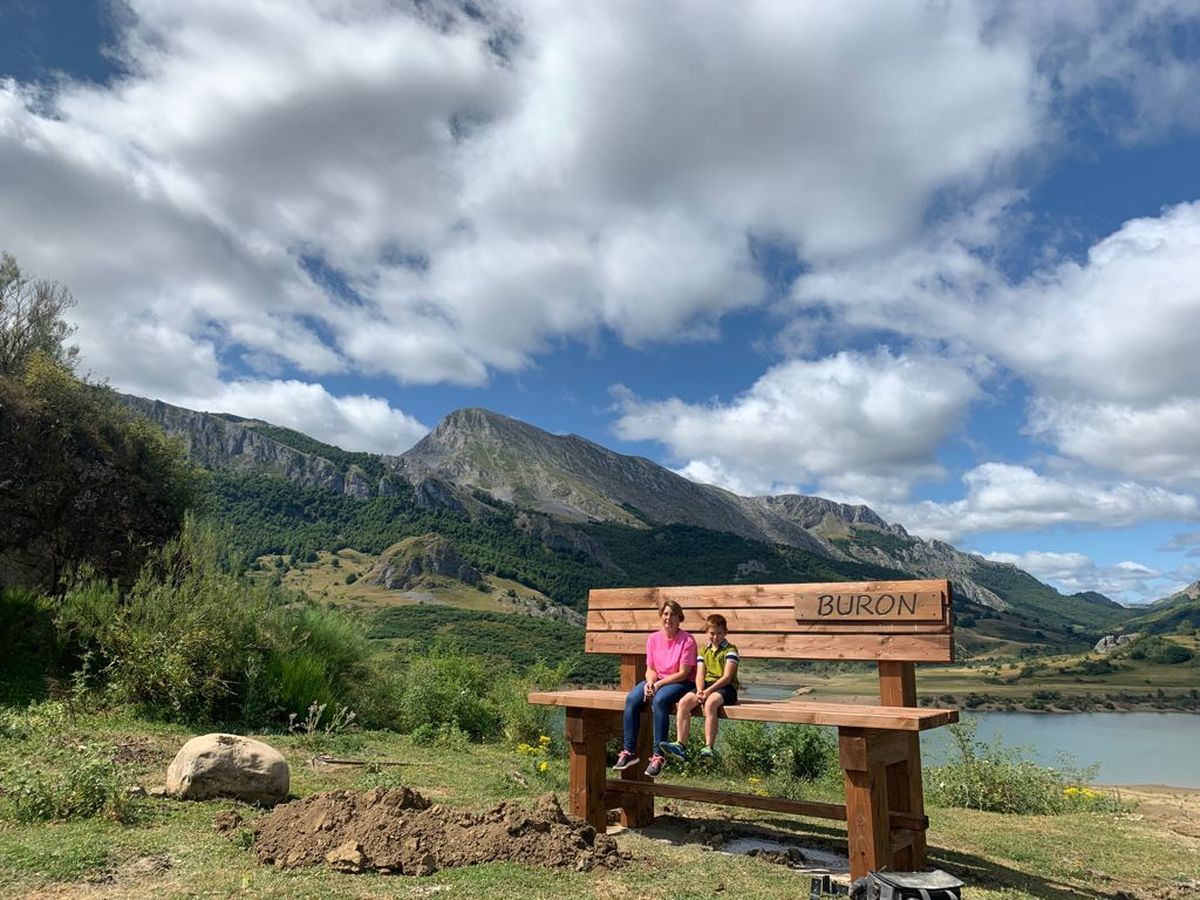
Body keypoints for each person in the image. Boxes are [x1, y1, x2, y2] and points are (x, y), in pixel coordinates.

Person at [612, 599, 697, 778]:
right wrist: (650, 682)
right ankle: (629, 752)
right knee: (632, 699)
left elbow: (683, 673)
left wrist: (658, 685)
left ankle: (658, 756)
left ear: (679, 618)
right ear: (661, 616)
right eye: (665, 614)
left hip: (681, 682)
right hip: (658, 680)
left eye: (673, 614)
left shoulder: (687, 640)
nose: (668, 618)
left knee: (659, 700)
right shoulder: (653, 638)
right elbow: (651, 668)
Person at [659, 613, 739, 763]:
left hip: (726, 688)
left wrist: (708, 692)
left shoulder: (730, 650)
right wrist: (700, 690)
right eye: (712, 633)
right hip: (706, 686)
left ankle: (709, 748)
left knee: (710, 703)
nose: (715, 637)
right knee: (684, 702)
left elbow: (727, 677)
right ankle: (680, 745)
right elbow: (700, 675)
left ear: (725, 632)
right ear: (706, 633)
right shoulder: (703, 651)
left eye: (719, 633)